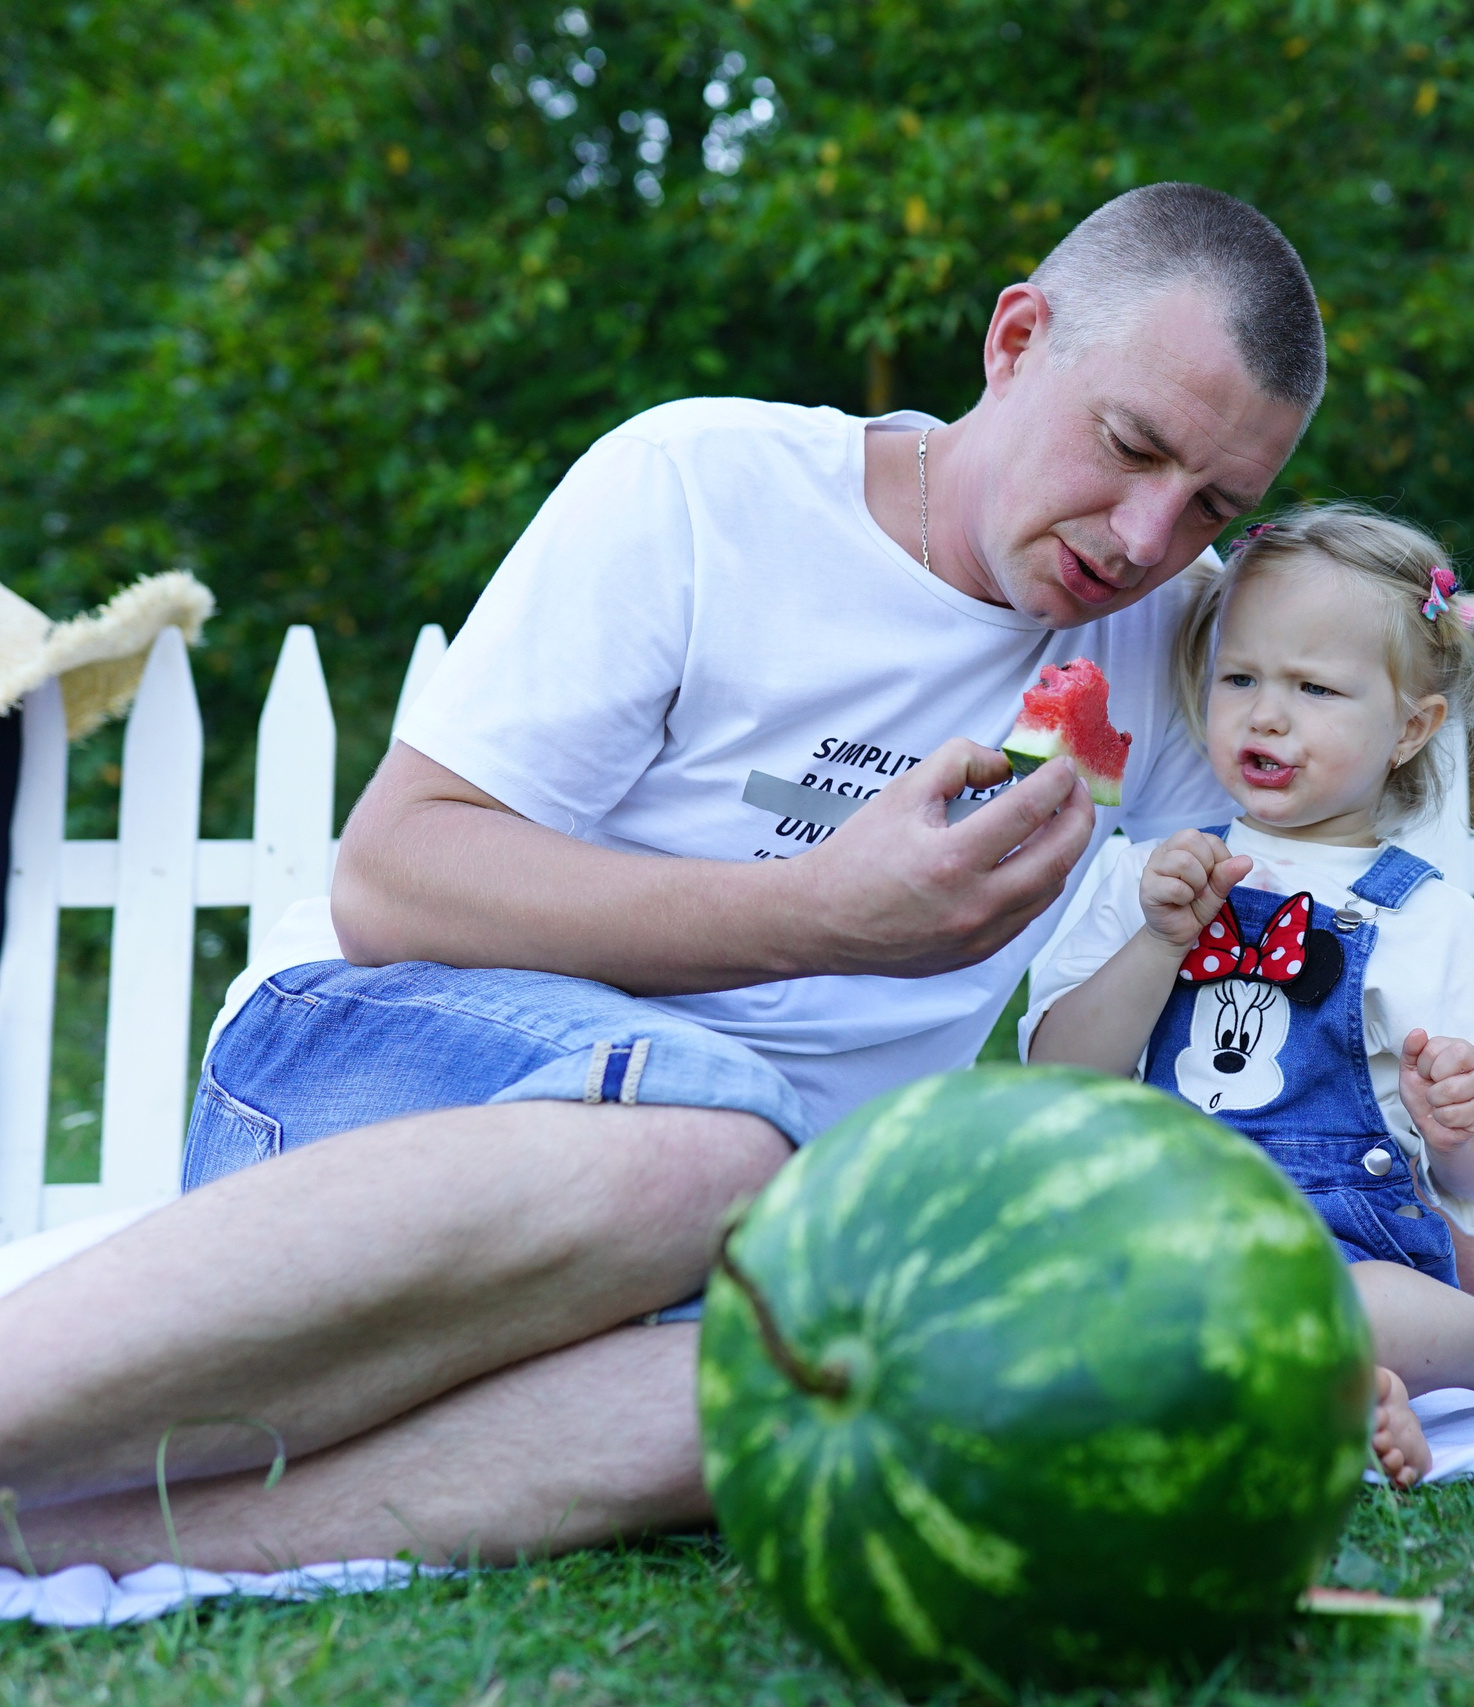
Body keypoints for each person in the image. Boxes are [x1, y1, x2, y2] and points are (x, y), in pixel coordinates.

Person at [0, 183, 1323, 1572]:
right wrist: (820, 916)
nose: (1145, 535)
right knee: (713, 1142)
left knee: (846, 1384)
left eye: (1212, 505)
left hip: (748, 1234)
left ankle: (79, 1548)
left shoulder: (1180, 648)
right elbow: (391, 874)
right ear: (1014, 338)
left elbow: (1339, 800)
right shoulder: (705, 483)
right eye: (1129, 445)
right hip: (373, 1079)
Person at [1025, 505, 1474, 1486]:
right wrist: (1160, 943)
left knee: (1361, 1306)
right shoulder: (1146, 874)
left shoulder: (1426, 919)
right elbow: (1061, 1076)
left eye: (1314, 688)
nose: (1265, 714)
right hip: (1161, 1243)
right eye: (1239, 678)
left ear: (1411, 727)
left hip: (1345, 1254)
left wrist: (1461, 1125)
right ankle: (1340, 1399)